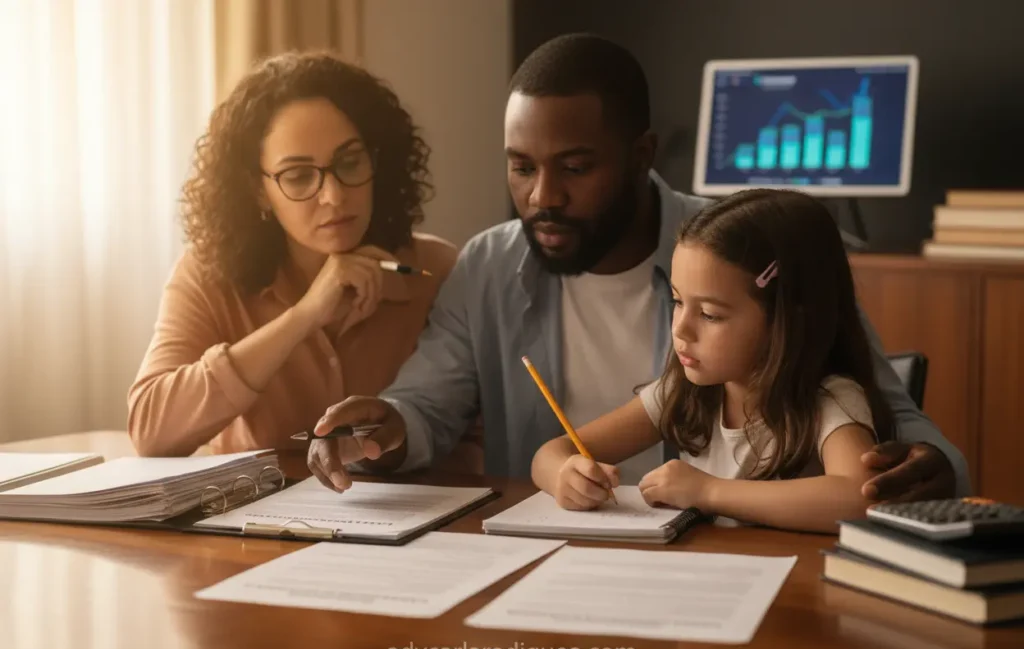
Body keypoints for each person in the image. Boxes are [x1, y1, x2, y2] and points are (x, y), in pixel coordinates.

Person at [307, 34, 969, 503]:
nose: (543, 197)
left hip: (736, 562)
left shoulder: (749, 248)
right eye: (521, 166)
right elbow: (425, 407)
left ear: (639, 153)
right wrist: (387, 426)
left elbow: (895, 416)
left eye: (574, 167)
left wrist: (934, 464)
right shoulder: (486, 265)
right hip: (550, 559)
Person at [127, 52, 457, 459]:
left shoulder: (436, 271)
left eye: (350, 163)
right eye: (299, 176)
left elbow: (478, 440)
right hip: (249, 517)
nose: (334, 197)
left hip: (416, 517)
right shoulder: (207, 274)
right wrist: (304, 316)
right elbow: (150, 430)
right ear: (258, 191)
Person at [533, 189, 894, 532]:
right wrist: (565, 474)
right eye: (677, 301)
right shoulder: (683, 392)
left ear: (789, 318)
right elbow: (550, 452)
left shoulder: (829, 399)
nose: (681, 330)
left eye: (709, 314)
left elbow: (859, 498)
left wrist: (709, 492)